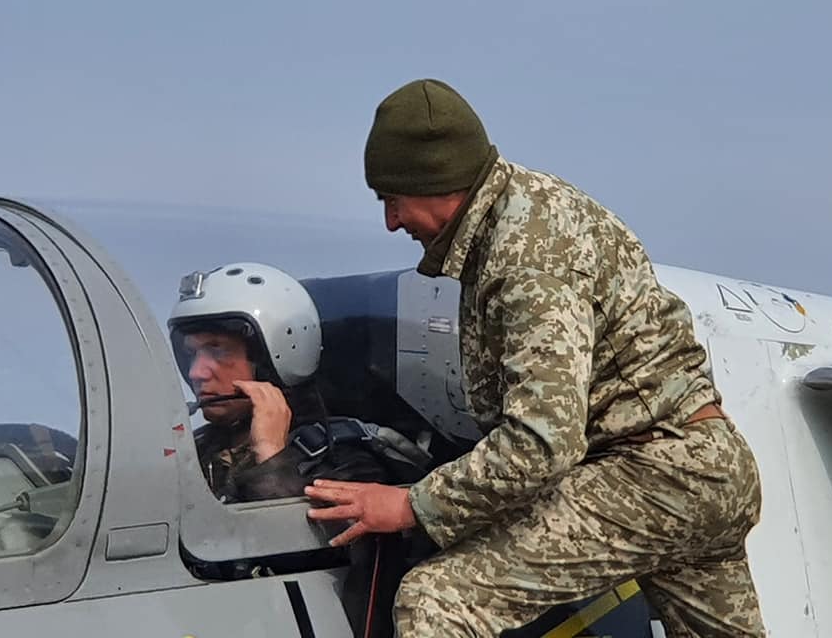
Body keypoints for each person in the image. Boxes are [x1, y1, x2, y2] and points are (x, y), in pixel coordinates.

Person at [303, 79, 767, 637]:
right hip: (706, 471)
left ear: (435, 182)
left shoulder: (526, 255)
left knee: (438, 600)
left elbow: (544, 441)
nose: (391, 221)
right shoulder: (526, 210)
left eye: (392, 199)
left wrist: (413, 505)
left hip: (654, 475)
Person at [168, 261, 419, 638]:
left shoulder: (348, 460)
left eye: (217, 351)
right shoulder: (196, 451)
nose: (197, 372)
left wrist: (270, 455)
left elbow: (316, 567)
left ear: (274, 357)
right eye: (192, 355)